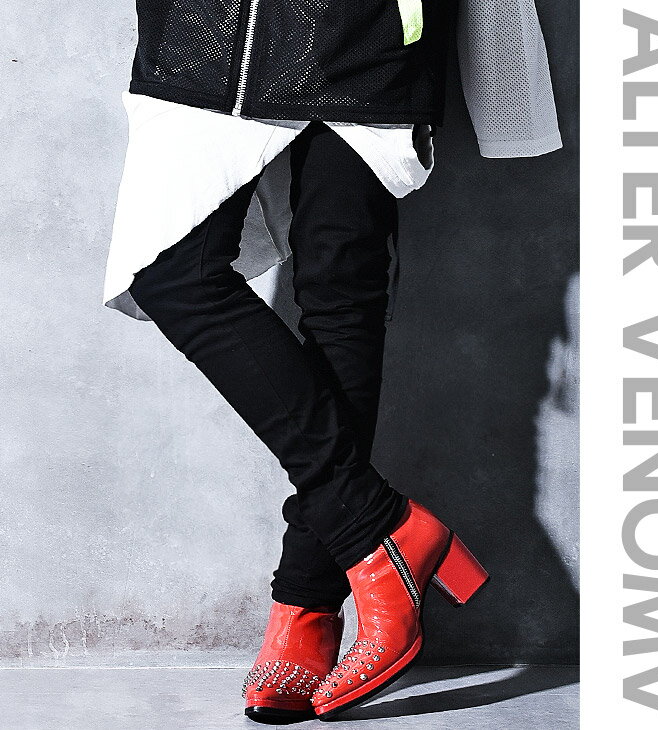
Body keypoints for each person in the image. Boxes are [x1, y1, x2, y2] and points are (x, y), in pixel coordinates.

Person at [103, 0, 562, 723]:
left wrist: (505, 85)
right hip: (204, 28)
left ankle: (307, 601)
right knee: (171, 272)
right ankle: (381, 528)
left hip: (362, 29)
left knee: (340, 295)